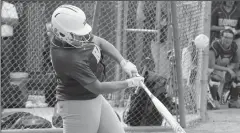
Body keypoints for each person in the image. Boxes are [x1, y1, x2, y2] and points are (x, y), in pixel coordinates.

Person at [47, 5, 144, 133]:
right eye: (77, 35)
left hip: (94, 97)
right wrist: (129, 83)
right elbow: (98, 87)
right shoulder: (67, 58)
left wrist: (123, 62)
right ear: (62, 34)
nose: (84, 37)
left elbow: (99, 42)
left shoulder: (73, 37)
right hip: (77, 104)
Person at [208, 29, 240, 109]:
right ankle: (214, 100)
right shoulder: (215, 45)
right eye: (225, 37)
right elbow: (211, 65)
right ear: (221, 37)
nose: (228, 40)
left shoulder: (234, 46)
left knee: (238, 76)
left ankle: (233, 101)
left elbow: (235, 62)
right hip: (212, 69)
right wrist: (227, 70)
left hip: (225, 67)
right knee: (216, 76)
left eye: (230, 38)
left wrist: (230, 69)